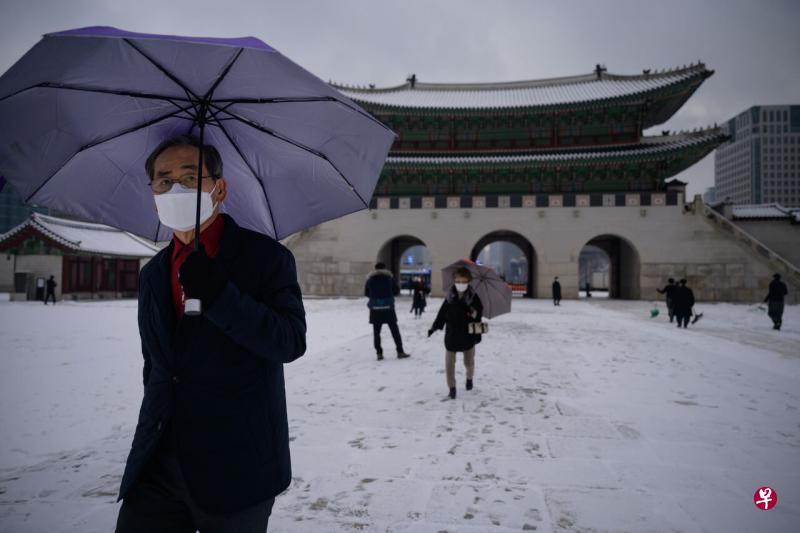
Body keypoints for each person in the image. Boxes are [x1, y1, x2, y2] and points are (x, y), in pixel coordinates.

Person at [115, 135, 307, 533]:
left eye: (189, 177)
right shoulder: (152, 276)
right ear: (152, 195)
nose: (175, 189)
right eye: (163, 181)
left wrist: (220, 294)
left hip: (238, 463)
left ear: (219, 189)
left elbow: (289, 341)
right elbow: (156, 367)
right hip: (159, 463)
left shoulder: (267, 258)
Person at [428, 267, 484, 400]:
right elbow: (442, 314)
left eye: (463, 281)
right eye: (458, 281)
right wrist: (434, 327)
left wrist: (471, 311)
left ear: (468, 281)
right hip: (452, 335)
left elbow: (479, 315)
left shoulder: (474, 297)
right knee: (449, 364)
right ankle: (452, 388)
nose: (460, 283)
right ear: (454, 281)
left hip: (468, 335)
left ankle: (469, 378)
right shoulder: (449, 297)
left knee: (468, 362)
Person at [365, 262, 410, 360]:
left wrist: (376, 298)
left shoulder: (370, 280)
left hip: (375, 309)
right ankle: (400, 351)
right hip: (388, 309)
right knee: (395, 331)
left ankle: (379, 353)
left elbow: (366, 293)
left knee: (376, 333)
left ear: (375, 269)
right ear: (385, 268)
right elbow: (396, 291)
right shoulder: (389, 279)